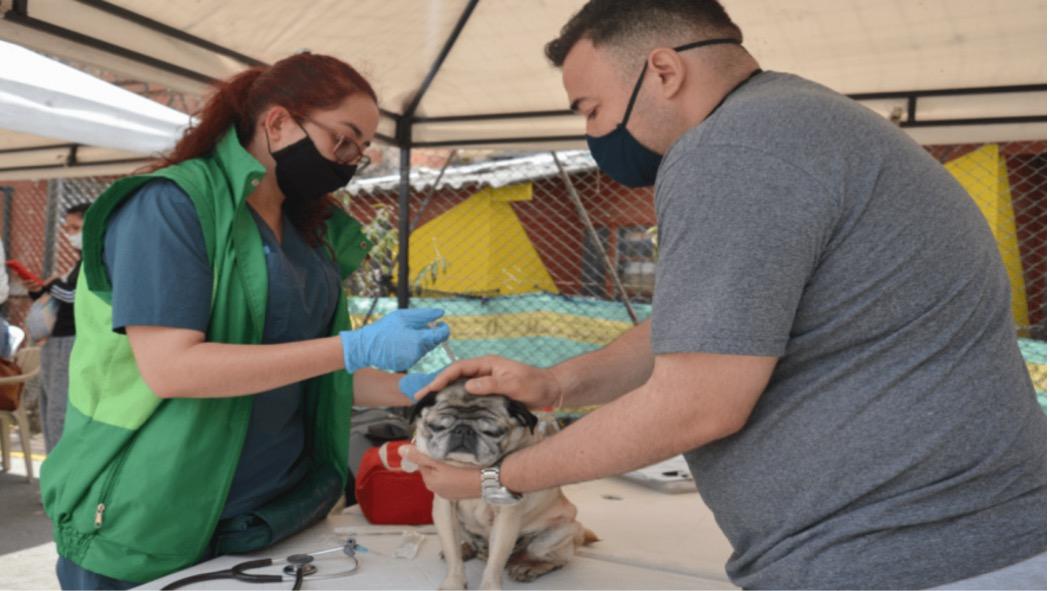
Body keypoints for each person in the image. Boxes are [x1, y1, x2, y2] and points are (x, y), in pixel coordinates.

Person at [405, 1, 1047, 589]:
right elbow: (711, 329)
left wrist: (494, 478)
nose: (593, 135)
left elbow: (696, 406)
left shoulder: (732, 150)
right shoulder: (794, 124)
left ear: (662, 72)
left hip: (902, 556)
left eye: (592, 109)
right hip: (955, 544)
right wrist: (559, 384)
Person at [39, 53, 448, 590]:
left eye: (361, 150)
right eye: (343, 141)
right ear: (276, 123)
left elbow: (308, 370)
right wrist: (352, 347)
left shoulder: (310, 235)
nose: (350, 161)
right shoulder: (170, 207)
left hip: (274, 513)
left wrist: (424, 391)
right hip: (155, 513)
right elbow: (172, 369)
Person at [30, 202, 89, 452]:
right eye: (67, 227)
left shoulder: (100, 259)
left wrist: (52, 286)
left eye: (76, 227)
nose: (70, 234)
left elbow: (79, 297)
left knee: (59, 411)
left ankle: (60, 475)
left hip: (71, 341)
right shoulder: (80, 261)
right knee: (49, 406)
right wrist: (42, 291)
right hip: (57, 341)